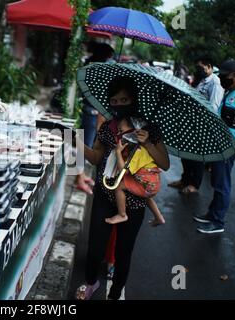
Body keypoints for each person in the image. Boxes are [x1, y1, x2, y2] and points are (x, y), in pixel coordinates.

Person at [75, 76, 170, 300]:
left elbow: (164, 164)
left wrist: (147, 142)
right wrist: (75, 144)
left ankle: (115, 294)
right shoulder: (108, 127)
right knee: (95, 246)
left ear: (133, 100)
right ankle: (90, 283)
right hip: (104, 193)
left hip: (134, 201)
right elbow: (96, 158)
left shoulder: (148, 129)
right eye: (114, 101)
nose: (119, 104)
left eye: (124, 99)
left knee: (123, 252)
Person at [194, 59, 235, 234]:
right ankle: (212, 214)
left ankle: (217, 222)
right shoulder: (230, 91)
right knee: (216, 180)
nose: (220, 78)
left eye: (224, 76)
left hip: (230, 146)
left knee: (222, 183)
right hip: (221, 143)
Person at [169, 56, 224, 194]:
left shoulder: (215, 83)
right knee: (186, 154)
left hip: (202, 125)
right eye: (198, 68)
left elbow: (213, 107)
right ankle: (185, 180)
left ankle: (194, 184)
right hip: (191, 122)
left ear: (210, 66)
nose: (199, 70)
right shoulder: (201, 80)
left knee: (197, 156)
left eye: (201, 68)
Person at [106, 117, 164, 226]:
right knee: (146, 196)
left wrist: (118, 152)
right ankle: (159, 217)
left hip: (146, 184)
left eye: (121, 131)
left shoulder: (136, 151)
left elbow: (124, 171)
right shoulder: (143, 148)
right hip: (153, 183)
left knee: (119, 187)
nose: (119, 134)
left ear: (133, 133)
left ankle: (122, 214)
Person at [76, 41, 115, 194]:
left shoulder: (89, 65)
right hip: (91, 112)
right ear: (105, 56)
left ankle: (81, 175)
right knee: (83, 146)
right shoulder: (99, 70)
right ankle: (78, 179)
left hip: (87, 110)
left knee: (82, 144)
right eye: (109, 56)